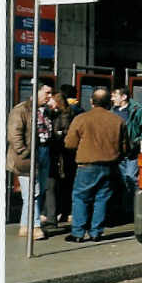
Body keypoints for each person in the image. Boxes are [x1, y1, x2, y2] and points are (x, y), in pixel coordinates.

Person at [64, 88, 128, 243]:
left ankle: (78, 233)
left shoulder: (81, 119)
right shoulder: (118, 121)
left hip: (87, 165)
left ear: (91, 102)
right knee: (102, 198)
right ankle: (96, 232)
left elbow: (70, 144)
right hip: (110, 165)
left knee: (80, 197)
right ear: (109, 102)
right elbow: (125, 147)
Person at [6, 82, 53, 240]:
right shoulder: (21, 110)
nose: (49, 96)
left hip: (43, 152)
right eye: (47, 93)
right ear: (36, 92)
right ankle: (35, 226)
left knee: (36, 192)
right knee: (33, 192)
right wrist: (25, 152)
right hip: (29, 155)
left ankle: (25, 225)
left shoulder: (45, 111)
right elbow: (14, 134)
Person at [111, 86, 142, 222]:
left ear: (124, 97)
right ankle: (125, 209)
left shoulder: (136, 110)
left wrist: (136, 142)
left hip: (131, 152)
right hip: (117, 153)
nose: (112, 98)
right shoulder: (111, 111)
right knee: (121, 180)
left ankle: (134, 208)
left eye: (115, 95)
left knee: (131, 178)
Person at [45, 92, 78, 226]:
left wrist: (56, 135)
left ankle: (58, 213)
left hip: (62, 154)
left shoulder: (63, 115)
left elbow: (62, 133)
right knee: (65, 184)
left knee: (59, 184)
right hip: (66, 155)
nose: (49, 102)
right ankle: (64, 212)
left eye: (52, 99)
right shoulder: (62, 113)